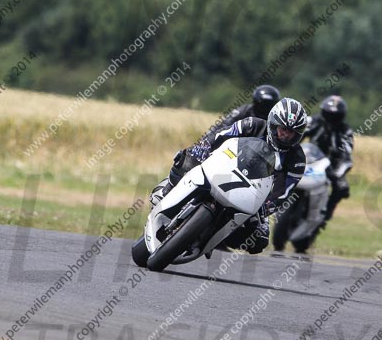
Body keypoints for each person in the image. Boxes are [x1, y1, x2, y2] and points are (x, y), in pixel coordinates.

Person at [150, 98, 307, 254]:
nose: (286, 136)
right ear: (273, 123)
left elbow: (284, 192)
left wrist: (268, 206)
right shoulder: (252, 124)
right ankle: (166, 191)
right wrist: (204, 146)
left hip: (255, 196)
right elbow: (221, 134)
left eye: (292, 133)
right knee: (187, 157)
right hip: (224, 169)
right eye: (283, 129)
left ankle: (215, 238)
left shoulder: (297, 159)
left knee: (259, 239)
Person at [302, 95, 354, 224]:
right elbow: (298, 134)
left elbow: (347, 154)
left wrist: (338, 173)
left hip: (331, 165)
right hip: (310, 158)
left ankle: (326, 213)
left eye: (335, 116)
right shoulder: (313, 121)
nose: (331, 119)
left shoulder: (346, 131)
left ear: (341, 116)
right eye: (328, 114)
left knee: (342, 188)